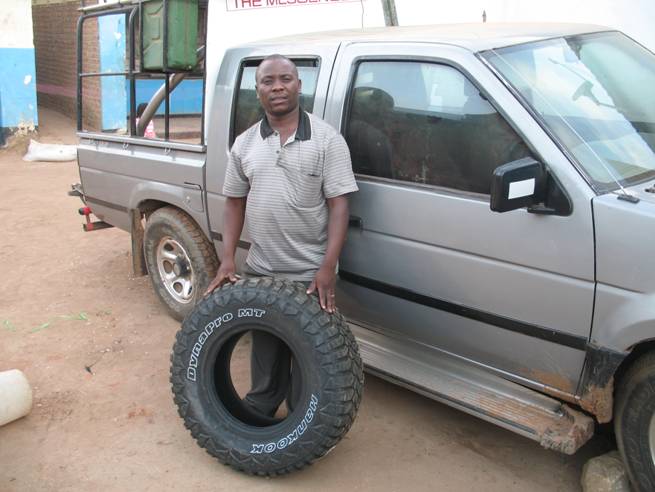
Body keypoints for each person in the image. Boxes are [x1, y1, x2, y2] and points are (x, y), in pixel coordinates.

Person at [204, 54, 358, 417]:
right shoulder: (244, 143)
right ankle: (261, 408)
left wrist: (327, 267)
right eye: (267, 81)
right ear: (257, 90)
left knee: (314, 352)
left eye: (285, 79)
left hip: (309, 273)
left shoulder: (327, 140)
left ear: (298, 85)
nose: (277, 87)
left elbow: (339, 206)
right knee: (267, 347)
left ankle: (305, 417)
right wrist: (228, 258)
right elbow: (233, 204)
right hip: (261, 268)